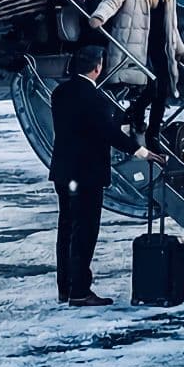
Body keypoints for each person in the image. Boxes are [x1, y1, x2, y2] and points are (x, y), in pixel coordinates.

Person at [49, 46, 166, 306]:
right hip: (87, 174)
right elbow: (108, 132)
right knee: (84, 231)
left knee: (66, 228)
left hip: (64, 171)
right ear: (97, 67)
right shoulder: (95, 98)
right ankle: (80, 290)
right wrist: (140, 150)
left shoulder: (60, 92)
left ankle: (65, 287)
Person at [88, 0, 184, 151]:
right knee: (150, 86)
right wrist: (99, 16)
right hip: (138, 45)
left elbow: (171, 25)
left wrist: (180, 49)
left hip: (160, 46)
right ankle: (136, 114)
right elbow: (113, 0)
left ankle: (153, 134)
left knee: (162, 90)